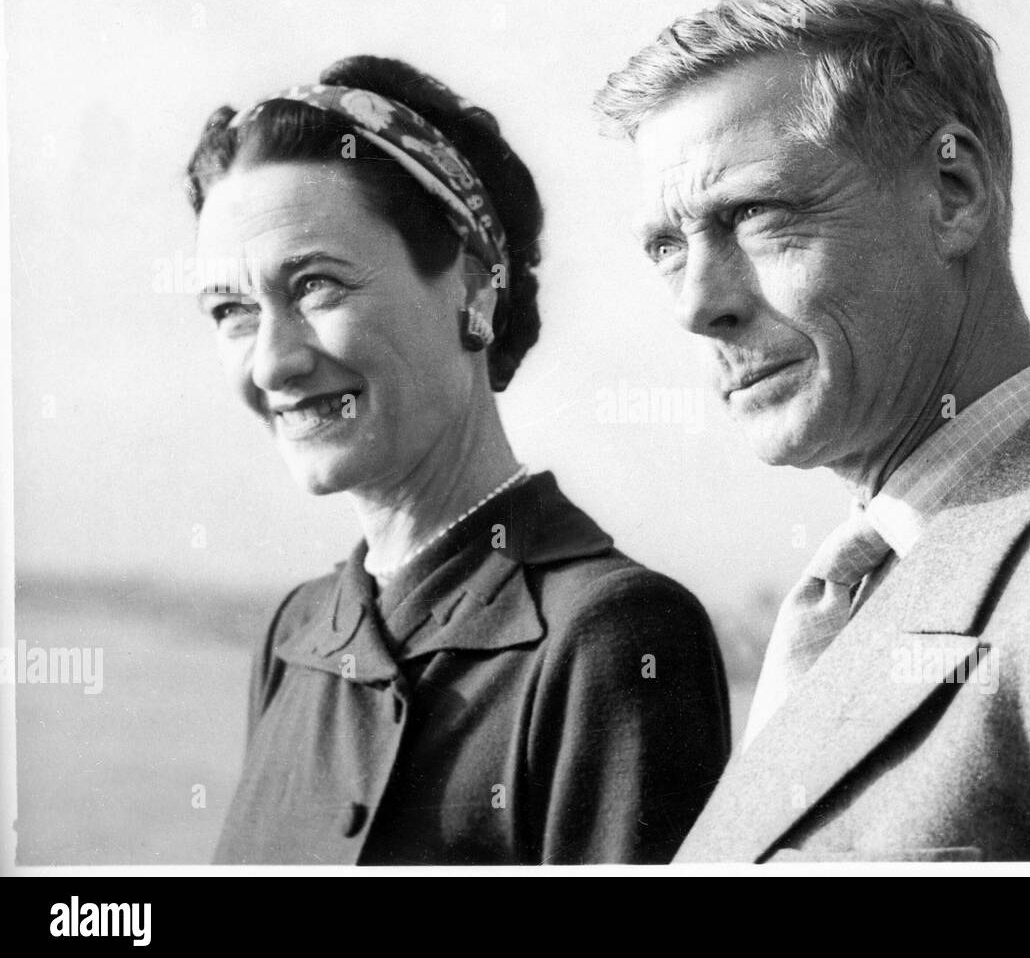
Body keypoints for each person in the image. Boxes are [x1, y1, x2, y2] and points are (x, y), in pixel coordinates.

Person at [594, 0, 1030, 861]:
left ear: (952, 194)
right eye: (666, 245)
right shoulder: (872, 586)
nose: (697, 304)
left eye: (756, 213)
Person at [187, 55, 730, 864]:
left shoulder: (611, 637)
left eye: (316, 285)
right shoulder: (296, 633)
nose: (272, 362)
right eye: (233, 309)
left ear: (474, 292)